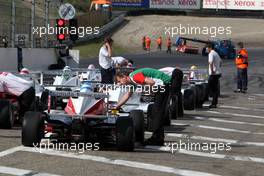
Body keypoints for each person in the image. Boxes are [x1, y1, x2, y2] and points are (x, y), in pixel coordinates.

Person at [115, 68, 171, 146]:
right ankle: (158, 138)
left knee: (157, 113)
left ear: (124, 76)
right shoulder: (132, 81)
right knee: (156, 112)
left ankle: (157, 139)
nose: (119, 83)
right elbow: (127, 95)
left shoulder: (135, 77)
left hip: (164, 84)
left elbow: (151, 82)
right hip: (161, 85)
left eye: (119, 81)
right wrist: (117, 107)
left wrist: (150, 91)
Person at [207, 43, 222, 108]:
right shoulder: (216, 53)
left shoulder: (211, 53)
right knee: (215, 89)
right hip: (218, 73)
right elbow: (221, 62)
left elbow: (210, 62)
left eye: (207, 48)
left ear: (210, 48)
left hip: (214, 74)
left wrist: (212, 70)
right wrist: (218, 68)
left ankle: (213, 103)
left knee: (209, 88)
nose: (206, 49)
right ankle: (214, 103)